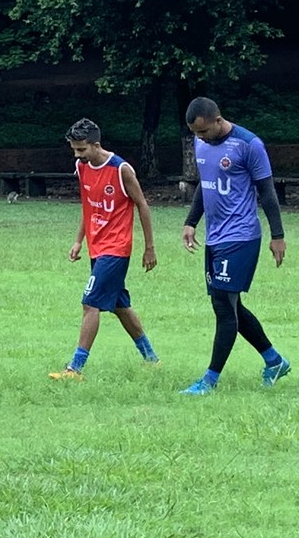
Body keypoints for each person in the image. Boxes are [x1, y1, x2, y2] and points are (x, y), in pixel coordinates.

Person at [179, 98, 289, 394]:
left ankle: (209, 380)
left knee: (223, 306)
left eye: (203, 132)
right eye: (195, 134)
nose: (199, 138)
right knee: (231, 305)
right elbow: (206, 184)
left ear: (218, 120)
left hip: (241, 236)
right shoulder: (201, 142)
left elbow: (267, 192)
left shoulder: (249, 144)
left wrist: (277, 235)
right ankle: (274, 360)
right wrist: (191, 221)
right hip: (215, 237)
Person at [49, 118, 158, 380]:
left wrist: (149, 247)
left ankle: (75, 368)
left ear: (96, 145)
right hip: (97, 248)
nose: (77, 155)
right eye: (74, 150)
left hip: (116, 249)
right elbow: (88, 206)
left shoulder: (121, 170)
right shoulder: (82, 166)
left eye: (81, 149)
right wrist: (79, 241)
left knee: (90, 304)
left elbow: (142, 205)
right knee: (120, 305)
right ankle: (152, 359)